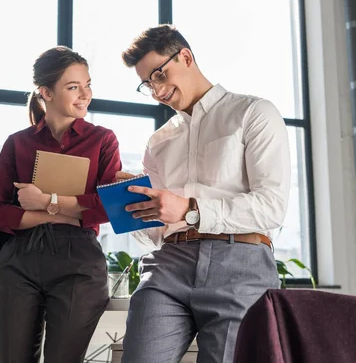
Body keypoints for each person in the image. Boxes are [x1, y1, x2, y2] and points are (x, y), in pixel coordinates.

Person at [118, 24, 290, 363]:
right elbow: (155, 234)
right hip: (168, 265)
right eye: (147, 84)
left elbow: (272, 207)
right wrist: (133, 203)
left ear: (185, 57)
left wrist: (190, 210)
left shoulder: (254, 113)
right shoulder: (158, 142)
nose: (157, 91)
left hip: (241, 263)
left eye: (159, 75)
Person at [0, 46, 121, 363]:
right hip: (21, 261)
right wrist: (64, 214)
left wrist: (46, 202)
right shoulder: (18, 143)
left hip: (79, 263)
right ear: (46, 92)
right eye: (74, 87)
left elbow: (107, 208)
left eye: (87, 84)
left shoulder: (103, 140)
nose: (85, 94)